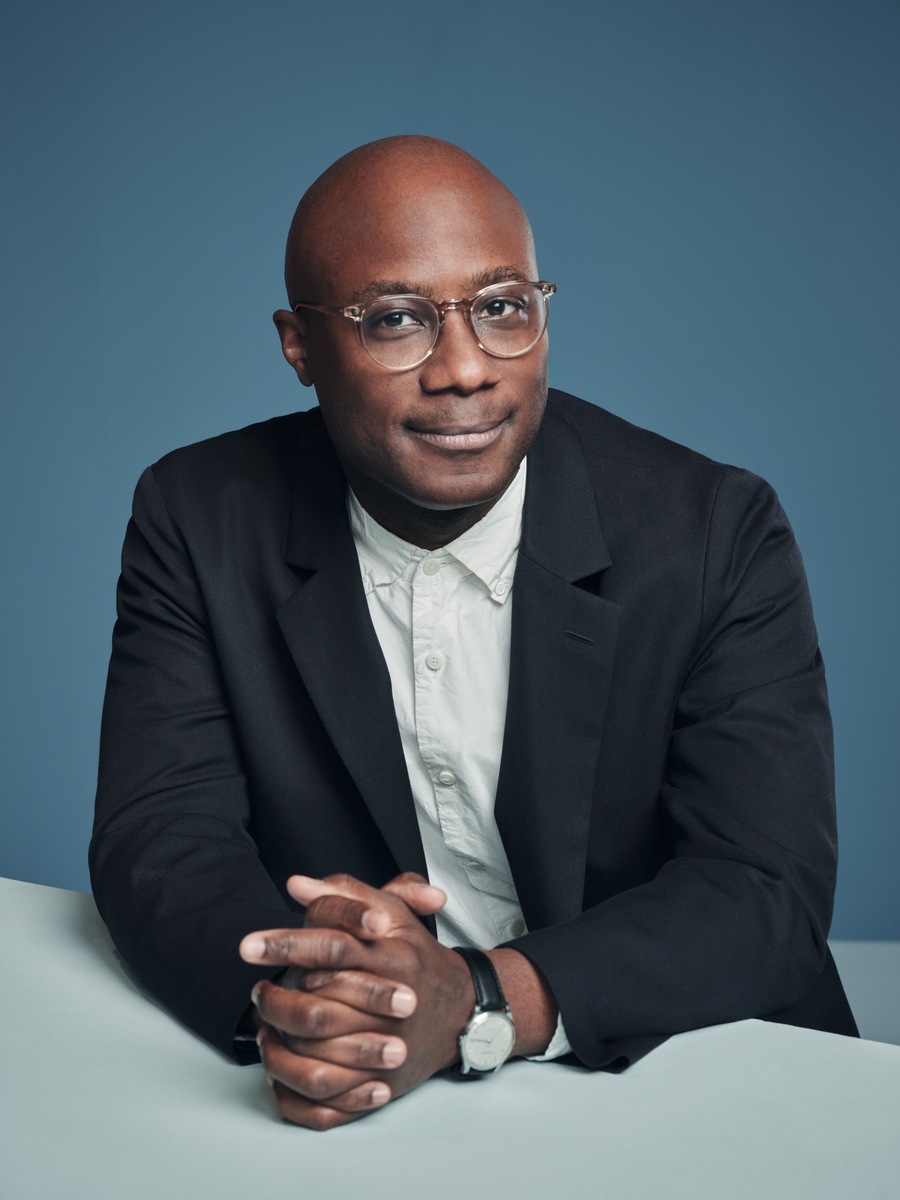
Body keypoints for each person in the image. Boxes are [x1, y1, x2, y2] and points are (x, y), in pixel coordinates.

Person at [90, 135, 857, 1132]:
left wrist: (480, 1000)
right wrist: (315, 1000)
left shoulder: (714, 532)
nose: (463, 370)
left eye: (501, 307)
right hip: (389, 1110)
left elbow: (761, 890)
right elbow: (161, 837)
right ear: (300, 347)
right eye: (396, 320)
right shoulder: (198, 518)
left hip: (703, 1078)